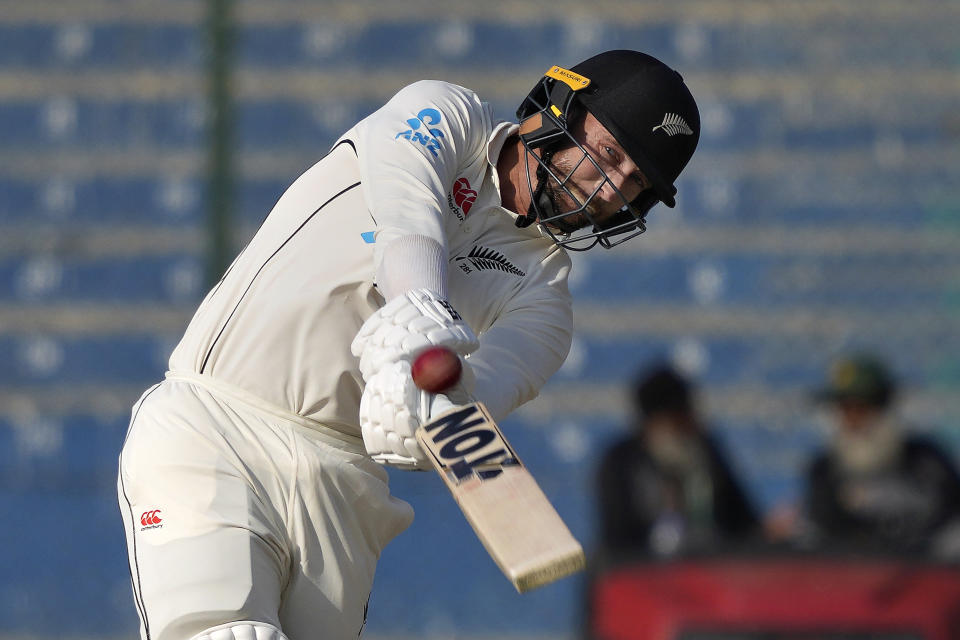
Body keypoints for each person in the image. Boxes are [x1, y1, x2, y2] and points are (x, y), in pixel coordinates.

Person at [117, 50, 701, 640]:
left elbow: (463, 413)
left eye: (636, 182)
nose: (611, 189)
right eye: (609, 154)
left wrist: (425, 403)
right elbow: (407, 216)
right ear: (560, 107)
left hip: (345, 490)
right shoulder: (446, 116)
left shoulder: (546, 307)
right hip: (218, 423)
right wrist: (418, 312)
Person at [802, 353, 960, 555]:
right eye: (845, 410)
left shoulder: (927, 461)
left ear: (884, 407)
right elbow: (822, 536)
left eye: (862, 409)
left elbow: (949, 520)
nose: (853, 422)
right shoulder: (823, 471)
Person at [596, 364, 759, 558]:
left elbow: (742, 522)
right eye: (676, 422)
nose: (686, 430)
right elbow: (618, 540)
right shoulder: (620, 463)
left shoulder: (706, 452)